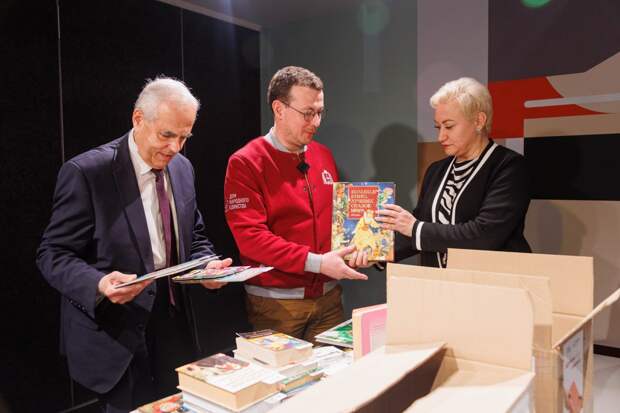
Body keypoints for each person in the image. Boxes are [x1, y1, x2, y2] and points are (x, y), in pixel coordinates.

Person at [36, 77, 232, 412]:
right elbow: (52, 254)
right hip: (114, 331)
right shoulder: (88, 173)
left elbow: (194, 235)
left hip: (172, 324)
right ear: (138, 119)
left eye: (184, 137)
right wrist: (99, 283)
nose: (175, 147)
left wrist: (206, 265)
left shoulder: (182, 169)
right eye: (166, 135)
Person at [224, 66, 367, 342]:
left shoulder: (323, 155)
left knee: (335, 369)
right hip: (276, 305)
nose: (316, 122)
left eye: (320, 112)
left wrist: (356, 248)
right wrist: (318, 263)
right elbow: (251, 239)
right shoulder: (246, 162)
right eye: (308, 113)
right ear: (279, 109)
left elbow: (337, 223)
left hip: (329, 299)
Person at [376, 77, 531, 267]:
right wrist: (375, 252)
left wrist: (415, 228)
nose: (441, 136)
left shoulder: (509, 167)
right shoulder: (436, 170)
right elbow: (418, 231)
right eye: (438, 127)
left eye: (449, 126)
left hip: (491, 281)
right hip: (438, 282)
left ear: (479, 121)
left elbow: (484, 235)